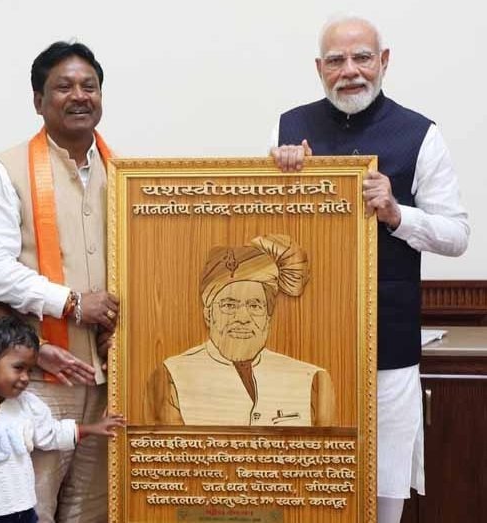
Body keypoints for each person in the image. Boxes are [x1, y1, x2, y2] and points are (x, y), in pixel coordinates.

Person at [269, 16, 469, 523]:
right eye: (336, 60)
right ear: (319, 68)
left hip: (388, 348)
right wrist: (280, 183)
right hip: (305, 342)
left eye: (361, 58)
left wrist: (398, 214)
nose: (350, 71)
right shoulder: (288, 129)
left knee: (383, 491)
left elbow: (457, 235)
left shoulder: (420, 134)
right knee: (307, 490)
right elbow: (266, 233)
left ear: (384, 61)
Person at [0, 41, 119, 523]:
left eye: (89, 86)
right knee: (34, 504)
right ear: (39, 100)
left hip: (110, 376)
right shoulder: (7, 170)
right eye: (64, 87)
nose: (79, 96)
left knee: (91, 509)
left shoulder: (126, 173)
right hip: (38, 377)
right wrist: (72, 303)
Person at [0, 316, 125, 522]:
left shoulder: (26, 404)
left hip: (27, 511)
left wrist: (93, 428)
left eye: (30, 370)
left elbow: (52, 434)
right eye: (19, 368)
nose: (26, 378)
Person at [147, 234, 335, 426]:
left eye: (255, 306)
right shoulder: (171, 377)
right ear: (208, 314)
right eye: (229, 305)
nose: (243, 318)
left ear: (268, 316)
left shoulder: (313, 381)